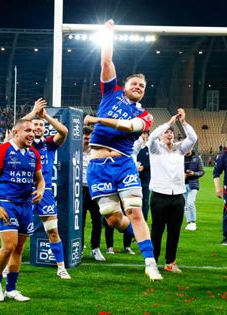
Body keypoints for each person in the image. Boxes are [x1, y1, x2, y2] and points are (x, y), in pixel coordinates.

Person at [83, 19, 162, 281]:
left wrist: (97, 120)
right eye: (135, 84)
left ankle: (150, 261)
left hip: (123, 163)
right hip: (97, 167)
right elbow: (106, 61)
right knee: (114, 221)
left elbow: (128, 126)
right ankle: (139, 235)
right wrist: (108, 35)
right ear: (125, 85)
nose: (138, 87)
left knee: (135, 211)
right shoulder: (110, 92)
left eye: (142, 86)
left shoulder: (146, 116)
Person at [0, 119, 45, 301]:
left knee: (18, 250)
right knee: (9, 245)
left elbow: (40, 179)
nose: (32, 134)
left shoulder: (33, 153)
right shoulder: (1, 151)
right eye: (27, 130)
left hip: (26, 205)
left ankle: (11, 289)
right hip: (6, 203)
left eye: (33, 132)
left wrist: (41, 190)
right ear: (15, 132)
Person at [21, 98, 71, 279]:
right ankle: (6, 268)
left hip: (46, 193)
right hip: (23, 192)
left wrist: (46, 116)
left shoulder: (49, 144)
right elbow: (16, 127)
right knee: (18, 233)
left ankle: (61, 267)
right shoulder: (22, 143)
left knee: (53, 230)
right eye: (34, 125)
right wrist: (34, 113)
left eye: (40, 125)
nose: (37, 127)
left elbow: (64, 131)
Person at [147, 109, 197, 273]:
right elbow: (152, 136)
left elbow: (193, 138)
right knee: (157, 230)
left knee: (174, 231)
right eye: (167, 132)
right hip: (159, 196)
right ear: (163, 135)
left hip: (177, 196)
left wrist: (183, 123)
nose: (169, 134)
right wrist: (168, 123)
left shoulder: (180, 149)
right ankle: (153, 262)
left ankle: (170, 262)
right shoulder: (155, 149)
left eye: (171, 132)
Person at [82, 126, 105, 261]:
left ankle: (95, 248)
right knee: (79, 221)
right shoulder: (74, 152)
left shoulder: (97, 152)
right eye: (85, 137)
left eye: (89, 138)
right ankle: (78, 247)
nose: (87, 140)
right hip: (79, 189)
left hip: (95, 189)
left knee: (98, 221)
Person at [183, 150, 205, 231]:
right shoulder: (181, 157)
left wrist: (193, 174)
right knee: (185, 204)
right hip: (183, 184)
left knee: (190, 202)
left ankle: (193, 222)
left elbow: (202, 171)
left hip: (193, 184)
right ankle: (189, 222)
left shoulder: (197, 158)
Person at [136, 130, 151, 221]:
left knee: (145, 200)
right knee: (134, 200)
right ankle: (135, 218)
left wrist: (144, 166)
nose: (143, 136)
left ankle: (144, 219)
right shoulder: (135, 147)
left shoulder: (150, 148)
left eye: (145, 134)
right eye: (142, 133)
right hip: (135, 178)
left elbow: (154, 162)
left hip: (146, 178)